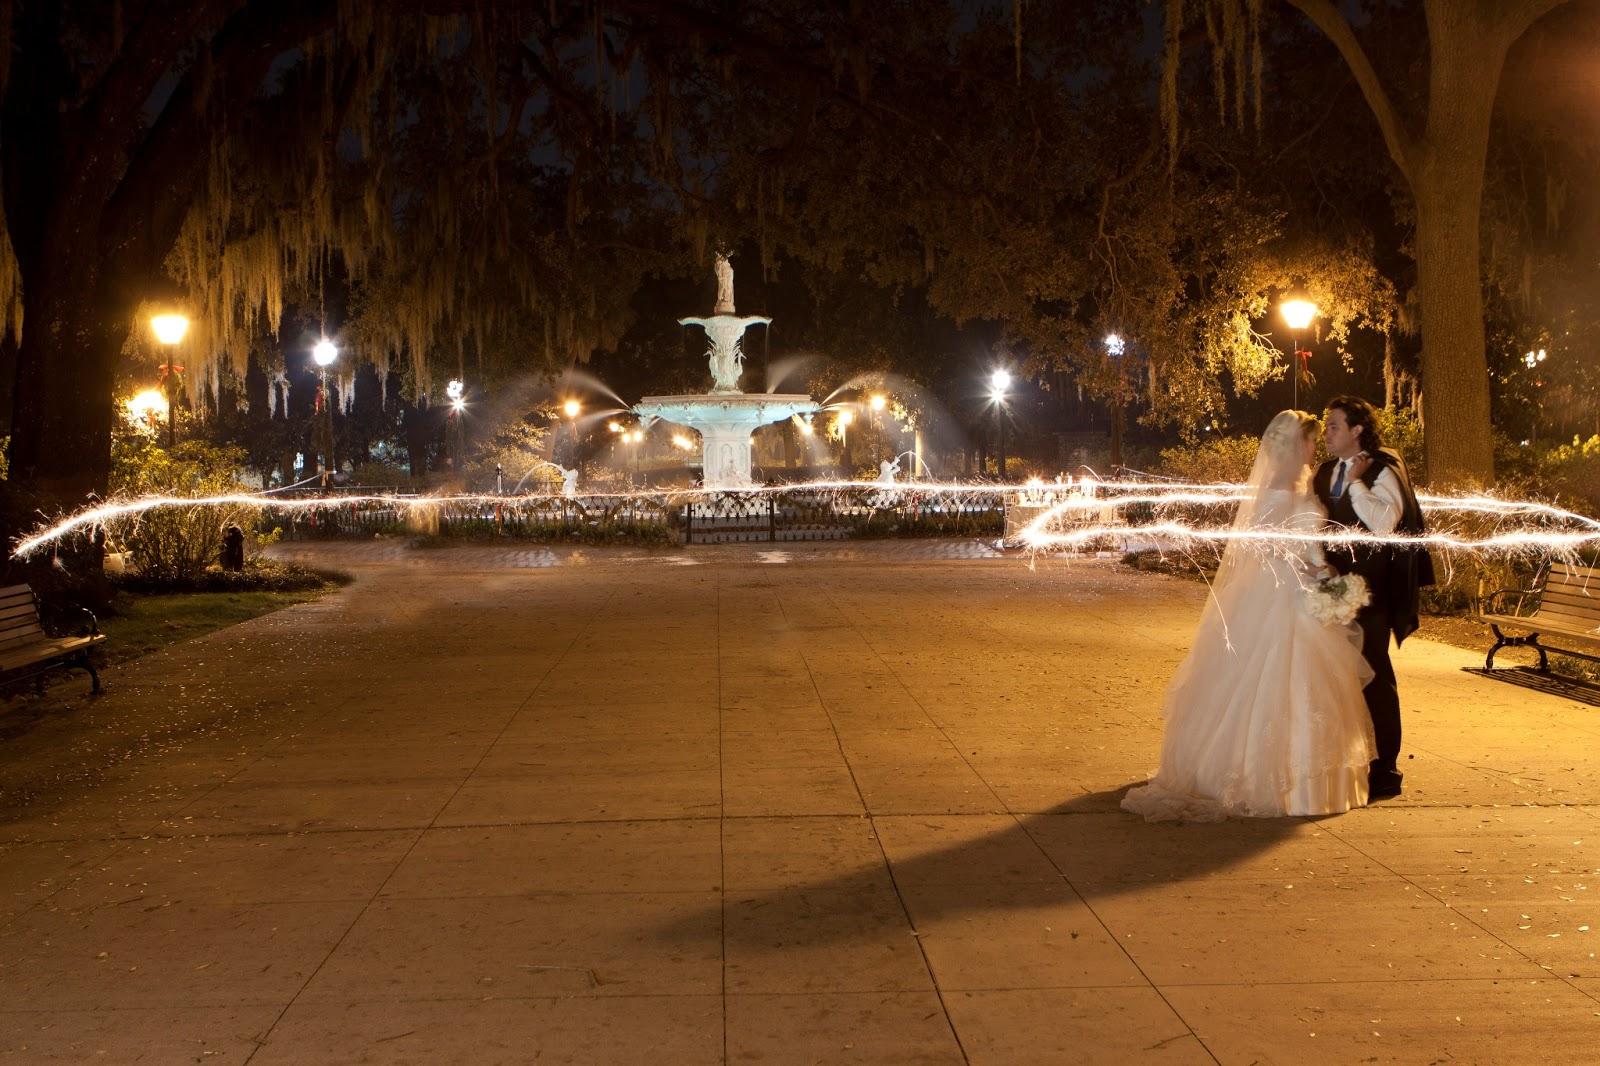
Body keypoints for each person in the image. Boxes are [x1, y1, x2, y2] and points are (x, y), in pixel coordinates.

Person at [1122, 411, 1375, 822]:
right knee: (1269, 677)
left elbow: (1307, 540)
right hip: (1277, 594)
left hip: (1306, 588)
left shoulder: (1303, 482)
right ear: (1295, 445)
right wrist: (1304, 568)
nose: (1314, 448)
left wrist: (1323, 570)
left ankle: (1315, 785)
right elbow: (1264, 547)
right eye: (1310, 441)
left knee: (1313, 683)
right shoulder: (1276, 487)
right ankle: (1270, 782)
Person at [1314, 396, 1433, 801]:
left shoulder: (1383, 469)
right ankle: (1344, 757)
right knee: (1332, 674)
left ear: (1356, 430)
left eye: (1334, 425)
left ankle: (1386, 768)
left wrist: (1356, 485)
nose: (1326, 432)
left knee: (1375, 676)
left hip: (1373, 593)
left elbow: (1384, 525)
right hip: (1329, 587)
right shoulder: (1325, 471)